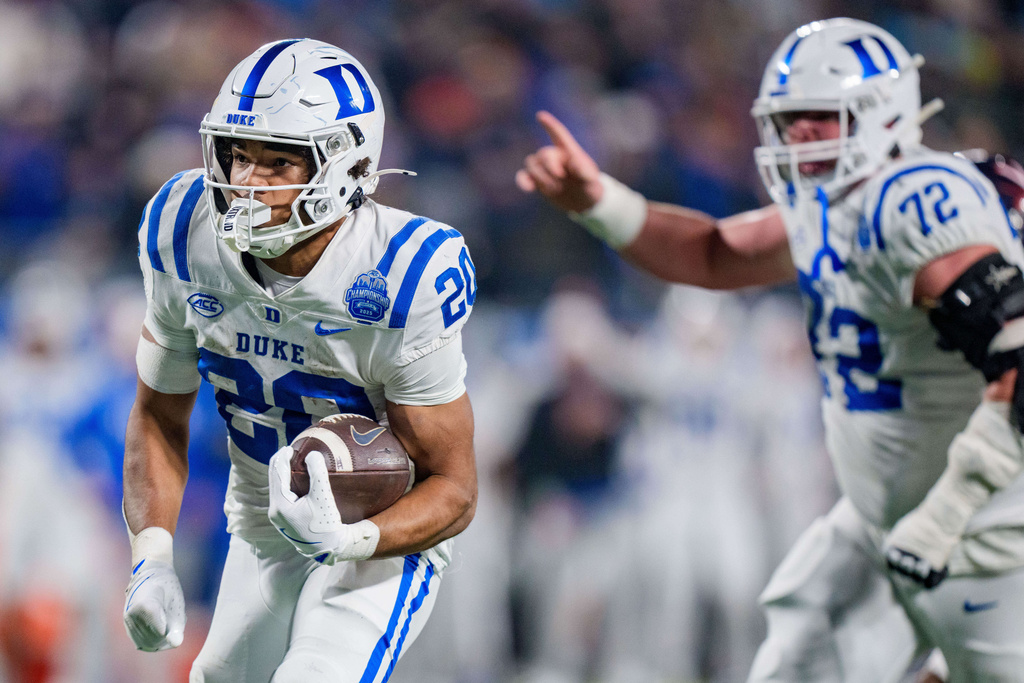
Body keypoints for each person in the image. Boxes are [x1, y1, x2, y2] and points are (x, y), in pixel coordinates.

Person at [517, 17, 1024, 682]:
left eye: (821, 117)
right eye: (790, 119)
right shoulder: (840, 206)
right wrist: (600, 201)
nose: (800, 136)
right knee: (796, 655)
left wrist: (948, 514)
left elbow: (1017, 360)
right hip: (886, 514)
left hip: (977, 524)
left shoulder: (915, 203)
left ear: (883, 115)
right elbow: (711, 253)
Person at [121, 39, 479, 683]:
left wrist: (350, 540)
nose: (245, 183)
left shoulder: (402, 271)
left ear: (349, 166)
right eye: (239, 154)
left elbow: (454, 488)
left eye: (278, 161)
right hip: (262, 515)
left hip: (381, 524)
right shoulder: (181, 229)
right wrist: (151, 556)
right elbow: (158, 415)